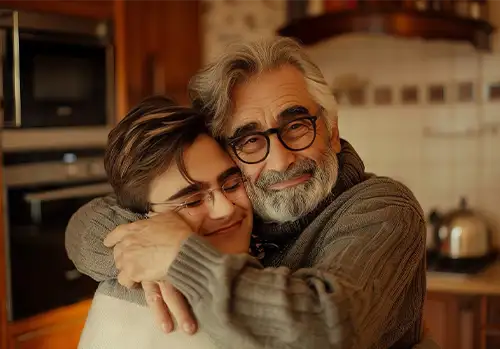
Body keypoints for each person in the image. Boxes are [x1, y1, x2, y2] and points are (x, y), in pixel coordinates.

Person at [67, 37, 431, 348]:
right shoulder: (238, 205)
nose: (281, 160)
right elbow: (84, 226)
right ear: (226, 149)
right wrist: (147, 244)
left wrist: (179, 258)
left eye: (297, 126)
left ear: (332, 132)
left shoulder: (384, 207)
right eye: (251, 139)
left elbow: (326, 327)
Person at [75, 96, 254, 348]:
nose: (225, 208)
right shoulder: (144, 313)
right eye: (192, 201)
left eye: (232, 184)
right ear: (144, 219)